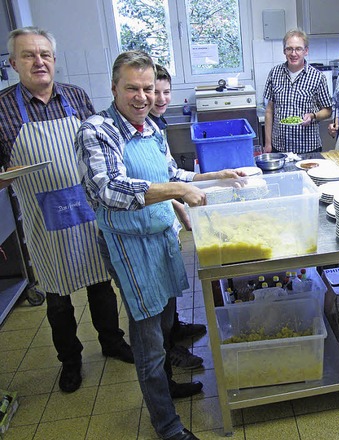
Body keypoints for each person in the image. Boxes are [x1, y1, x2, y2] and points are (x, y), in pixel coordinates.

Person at [76, 50, 244, 440]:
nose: (142, 96)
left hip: (161, 240)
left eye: (148, 88)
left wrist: (217, 175)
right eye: (132, 88)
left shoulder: (151, 128)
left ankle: (167, 388)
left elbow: (173, 173)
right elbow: (108, 189)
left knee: (168, 324)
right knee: (149, 342)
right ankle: (167, 427)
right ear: (114, 87)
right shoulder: (96, 130)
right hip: (129, 247)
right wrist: (178, 191)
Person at [0, 26, 133, 394]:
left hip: (88, 211)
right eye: (28, 55)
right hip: (46, 221)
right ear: (13, 63)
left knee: (101, 286)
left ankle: (112, 341)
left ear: (54, 60)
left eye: (44, 54)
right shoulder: (3, 109)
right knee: (58, 301)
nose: (38, 61)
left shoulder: (76, 97)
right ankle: (70, 361)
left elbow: (98, 147)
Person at [149, 64, 206, 371]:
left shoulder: (158, 123)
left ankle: (175, 327)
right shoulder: (142, 126)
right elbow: (154, 184)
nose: (160, 98)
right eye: (154, 91)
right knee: (159, 291)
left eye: (165, 92)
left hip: (164, 217)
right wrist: (181, 204)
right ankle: (169, 348)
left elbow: (170, 174)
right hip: (150, 220)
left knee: (170, 282)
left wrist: (212, 177)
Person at [263, 29, 332, 154]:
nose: (293, 53)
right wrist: (268, 144)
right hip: (279, 147)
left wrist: (313, 116)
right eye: (289, 49)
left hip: (308, 148)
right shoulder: (274, 73)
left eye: (298, 49)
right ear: (284, 51)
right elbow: (269, 110)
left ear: (306, 51)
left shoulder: (317, 77)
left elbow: (328, 111)